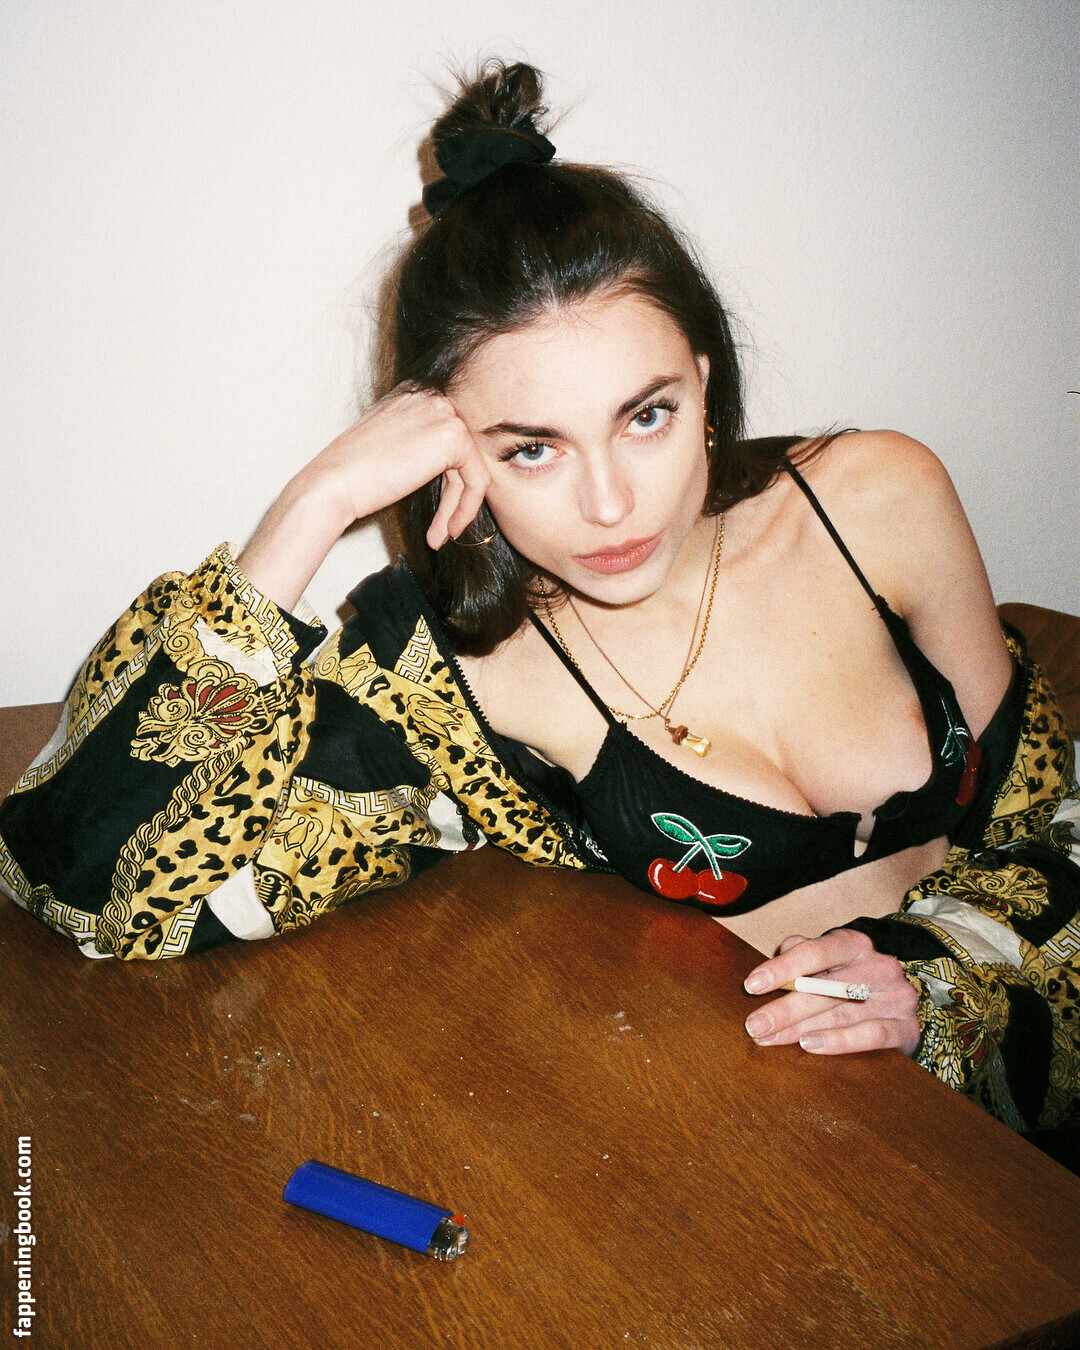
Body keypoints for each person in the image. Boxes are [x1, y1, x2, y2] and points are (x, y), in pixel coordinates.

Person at [1, 60, 1077, 1138]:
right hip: (796, 1142)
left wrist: (933, 980)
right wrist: (309, 510)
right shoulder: (456, 671)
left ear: (704, 384)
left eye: (645, 416)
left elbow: (1049, 826)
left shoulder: (876, 498)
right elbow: (94, 890)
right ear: (448, 449)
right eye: (531, 448)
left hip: (1022, 1103)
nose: (610, 505)